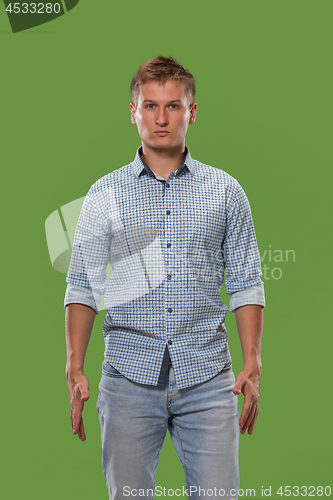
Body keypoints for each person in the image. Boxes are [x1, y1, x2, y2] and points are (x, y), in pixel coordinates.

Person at [64, 56, 265, 500]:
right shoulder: (105, 194)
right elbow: (82, 283)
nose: (161, 118)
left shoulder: (226, 192)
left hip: (209, 378)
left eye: (173, 106)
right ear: (133, 111)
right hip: (128, 379)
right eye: (150, 106)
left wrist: (252, 360)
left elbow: (247, 281)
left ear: (192, 112)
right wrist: (74, 364)